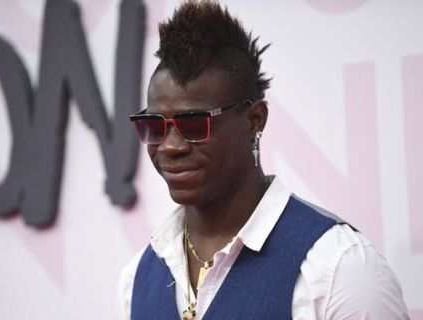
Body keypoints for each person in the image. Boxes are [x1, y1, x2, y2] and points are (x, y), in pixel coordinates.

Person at [116, 1, 409, 319]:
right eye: (153, 126)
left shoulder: (339, 270)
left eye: (194, 124)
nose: (170, 146)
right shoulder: (136, 282)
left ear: (254, 120)